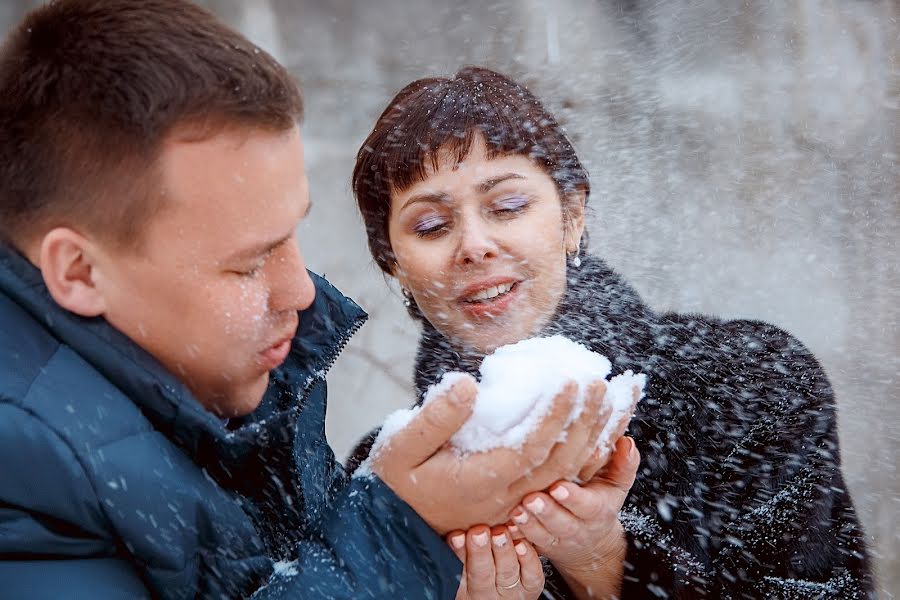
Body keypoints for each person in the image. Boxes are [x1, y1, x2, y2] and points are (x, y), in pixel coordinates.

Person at [0, 4, 608, 598]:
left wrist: (602, 560)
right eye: (249, 262)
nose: (302, 292)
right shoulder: (21, 479)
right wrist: (399, 529)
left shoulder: (248, 387)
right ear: (79, 271)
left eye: (293, 235)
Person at [350, 66, 876, 598]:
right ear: (395, 264)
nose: (474, 244)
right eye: (432, 227)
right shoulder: (386, 484)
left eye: (507, 206)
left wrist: (607, 562)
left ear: (572, 215)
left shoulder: (751, 383)